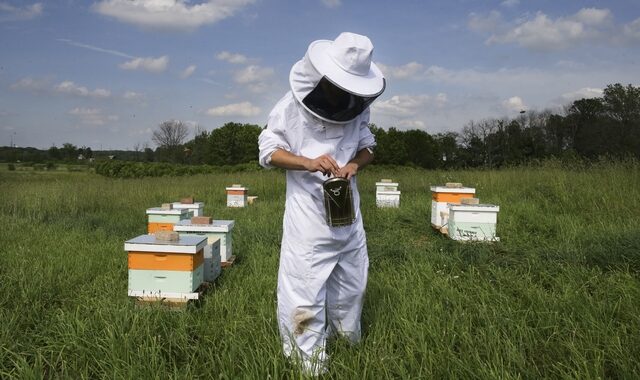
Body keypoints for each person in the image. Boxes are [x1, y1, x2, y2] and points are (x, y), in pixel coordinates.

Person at [258, 32, 386, 375]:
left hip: (348, 213)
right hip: (308, 219)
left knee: (353, 282)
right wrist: (308, 162)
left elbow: (369, 146)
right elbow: (268, 151)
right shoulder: (289, 107)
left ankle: (347, 343)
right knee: (304, 288)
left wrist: (355, 165)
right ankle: (308, 362)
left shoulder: (358, 109)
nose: (345, 97)